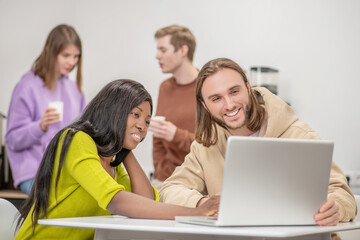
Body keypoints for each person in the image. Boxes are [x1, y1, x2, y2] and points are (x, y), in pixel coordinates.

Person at [159, 58, 356, 235]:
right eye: (216, 98)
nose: (229, 104)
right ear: (205, 105)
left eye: (234, 92)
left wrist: (335, 208)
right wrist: (203, 204)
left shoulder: (299, 135)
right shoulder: (205, 145)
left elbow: (341, 192)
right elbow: (171, 188)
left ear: (248, 87)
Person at [14, 79, 219, 240]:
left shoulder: (112, 162)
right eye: (135, 114)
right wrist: (197, 212)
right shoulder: (76, 140)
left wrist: (126, 150)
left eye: (147, 121)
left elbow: (145, 202)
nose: (142, 126)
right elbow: (116, 201)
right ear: (113, 111)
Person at [5, 24, 86, 195]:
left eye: (76, 56)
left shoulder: (74, 90)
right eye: (66, 55)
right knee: (60, 202)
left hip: (65, 172)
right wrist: (40, 126)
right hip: (34, 173)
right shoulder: (27, 86)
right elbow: (12, 139)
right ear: (50, 51)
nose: (72, 62)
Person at [149, 25, 199, 190]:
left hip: (198, 181)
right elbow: (157, 136)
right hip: (165, 180)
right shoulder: (165, 87)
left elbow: (214, 145)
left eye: (163, 50)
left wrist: (176, 135)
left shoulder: (207, 88)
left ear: (183, 50)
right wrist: (160, 173)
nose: (157, 56)